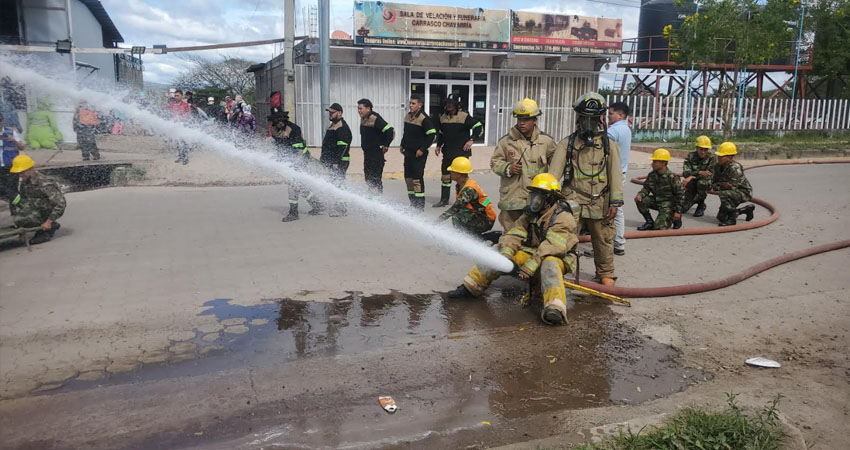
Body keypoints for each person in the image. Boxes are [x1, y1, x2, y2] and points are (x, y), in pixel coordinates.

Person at [447, 173, 579, 326]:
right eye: (533, 195)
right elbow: (514, 235)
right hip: (533, 252)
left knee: (550, 264)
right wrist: (506, 255)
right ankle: (471, 288)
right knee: (497, 252)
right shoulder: (531, 214)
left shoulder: (563, 217)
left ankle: (555, 308)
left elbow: (551, 246)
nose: (533, 200)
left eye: (538, 197)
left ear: (549, 200)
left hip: (558, 257)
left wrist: (529, 268)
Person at [549, 92, 623, 286]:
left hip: (600, 202)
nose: (588, 123)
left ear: (600, 118)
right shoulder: (567, 144)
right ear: (578, 117)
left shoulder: (609, 145)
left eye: (592, 118)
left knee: (603, 239)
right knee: (565, 237)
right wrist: (548, 200)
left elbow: (615, 176)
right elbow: (552, 176)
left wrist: (615, 203)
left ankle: (605, 272)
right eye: (584, 118)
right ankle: (559, 270)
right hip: (572, 201)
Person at [491, 98, 557, 232]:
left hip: (538, 200)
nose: (521, 123)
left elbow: (556, 166)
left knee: (536, 235)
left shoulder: (546, 142)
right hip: (512, 199)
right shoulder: (506, 142)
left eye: (526, 120)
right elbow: (494, 162)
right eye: (519, 119)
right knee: (511, 236)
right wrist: (508, 168)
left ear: (534, 120)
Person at [270, 111, 324, 222]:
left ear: (285, 118)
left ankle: (293, 213)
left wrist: (293, 165)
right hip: (289, 161)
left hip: (300, 158)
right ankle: (317, 204)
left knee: (293, 185)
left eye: (280, 119)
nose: (278, 122)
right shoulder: (275, 130)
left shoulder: (294, 129)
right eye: (276, 120)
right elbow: (279, 147)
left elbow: (298, 150)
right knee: (300, 185)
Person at [433, 94, 483, 208]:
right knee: (445, 177)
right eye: (447, 103)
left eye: (451, 103)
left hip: (461, 153)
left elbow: (478, 126)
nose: (449, 105)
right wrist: (438, 145)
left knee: (461, 178)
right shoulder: (442, 118)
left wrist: (472, 139)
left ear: (456, 105)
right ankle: (444, 200)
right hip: (448, 152)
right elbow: (441, 134)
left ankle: (463, 200)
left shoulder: (464, 116)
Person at [7, 154, 66, 245]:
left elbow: (60, 204)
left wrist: (48, 221)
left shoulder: (44, 183)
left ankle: (47, 229)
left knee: (23, 218)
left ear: (30, 169)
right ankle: (37, 225)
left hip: (45, 211)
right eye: (19, 173)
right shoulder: (25, 182)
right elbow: (23, 198)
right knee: (18, 215)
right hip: (35, 209)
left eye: (22, 172)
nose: (20, 175)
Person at [436, 156, 496, 235]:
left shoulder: (468, 189)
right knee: (462, 213)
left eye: (452, 171)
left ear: (458, 174)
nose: (450, 173)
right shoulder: (463, 183)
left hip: (486, 219)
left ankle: (468, 238)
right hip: (481, 214)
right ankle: (470, 235)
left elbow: (455, 208)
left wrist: (437, 221)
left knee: (457, 216)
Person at [400, 95, 436, 210]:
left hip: (418, 154)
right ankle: (413, 204)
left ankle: (419, 206)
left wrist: (422, 149)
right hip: (408, 153)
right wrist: (402, 144)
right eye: (410, 103)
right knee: (408, 179)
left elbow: (432, 135)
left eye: (413, 103)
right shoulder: (408, 116)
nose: (410, 105)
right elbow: (406, 133)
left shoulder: (424, 118)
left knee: (417, 179)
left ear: (420, 105)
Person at [634, 149, 684, 230]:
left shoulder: (672, 177)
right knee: (640, 200)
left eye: (655, 161)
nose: (652, 164)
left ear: (663, 163)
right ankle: (649, 222)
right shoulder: (652, 175)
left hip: (668, 205)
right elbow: (646, 188)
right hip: (657, 201)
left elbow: (680, 196)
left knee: (659, 228)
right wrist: (641, 194)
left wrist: (678, 212)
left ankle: (675, 218)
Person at [607, 101, 631, 255]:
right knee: (616, 208)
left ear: (620, 115)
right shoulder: (625, 129)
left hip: (613, 175)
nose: (608, 117)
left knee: (614, 208)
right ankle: (617, 242)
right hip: (620, 173)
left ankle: (616, 242)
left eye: (611, 114)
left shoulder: (614, 131)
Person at [710, 142, 754, 226]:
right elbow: (713, 181)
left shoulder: (735, 168)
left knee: (724, 193)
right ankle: (746, 210)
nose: (719, 158)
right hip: (730, 191)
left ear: (730, 157)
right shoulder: (718, 166)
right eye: (719, 156)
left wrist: (718, 186)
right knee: (721, 217)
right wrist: (719, 185)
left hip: (742, 192)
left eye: (722, 156)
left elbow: (731, 186)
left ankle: (732, 220)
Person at [320, 103, 353, 217]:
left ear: (339, 113)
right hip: (333, 161)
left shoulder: (341, 127)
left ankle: (341, 208)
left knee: (338, 183)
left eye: (332, 112)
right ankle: (339, 205)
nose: (330, 114)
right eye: (329, 112)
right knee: (335, 183)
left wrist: (336, 162)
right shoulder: (333, 125)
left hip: (340, 161)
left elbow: (342, 146)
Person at [357, 99, 394, 196]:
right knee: (368, 177)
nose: (359, 111)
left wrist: (386, 145)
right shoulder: (363, 119)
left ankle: (378, 198)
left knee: (375, 178)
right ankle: (372, 195)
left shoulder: (375, 118)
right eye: (358, 108)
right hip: (368, 154)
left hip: (376, 154)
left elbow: (390, 131)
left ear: (368, 108)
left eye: (361, 108)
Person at [682, 135, 717, 217]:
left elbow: (709, 174)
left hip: (705, 183)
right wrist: (698, 173)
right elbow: (686, 173)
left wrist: (692, 175)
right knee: (682, 208)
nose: (703, 152)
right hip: (692, 184)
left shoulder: (712, 158)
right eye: (701, 149)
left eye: (705, 149)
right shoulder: (690, 156)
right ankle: (695, 199)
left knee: (702, 182)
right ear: (697, 148)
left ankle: (701, 204)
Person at [1, 113, 25, 202]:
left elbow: (22, 147)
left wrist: (14, 140)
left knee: (13, 190)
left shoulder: (10, 133)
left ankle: (16, 211)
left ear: (2, 121)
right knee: (5, 191)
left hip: (11, 166)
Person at [168, 89, 192, 164]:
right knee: (177, 142)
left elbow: (189, 114)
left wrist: (182, 118)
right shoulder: (172, 104)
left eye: (177, 95)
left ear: (181, 96)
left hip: (183, 126)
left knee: (184, 142)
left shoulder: (185, 105)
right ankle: (180, 156)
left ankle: (185, 158)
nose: (176, 97)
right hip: (175, 126)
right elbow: (167, 111)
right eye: (175, 95)